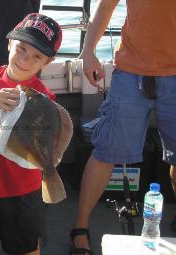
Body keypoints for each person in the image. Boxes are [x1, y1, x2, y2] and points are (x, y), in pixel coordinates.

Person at [70, 0, 176, 254]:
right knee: (106, 151)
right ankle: (80, 227)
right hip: (131, 72)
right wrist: (88, 52)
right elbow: (106, 6)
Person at [0, 13, 62, 255]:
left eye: (36, 56)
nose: (25, 60)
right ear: (9, 43)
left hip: (22, 190)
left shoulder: (43, 99)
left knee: (27, 249)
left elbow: (45, 144)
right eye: (21, 49)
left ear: (46, 62)